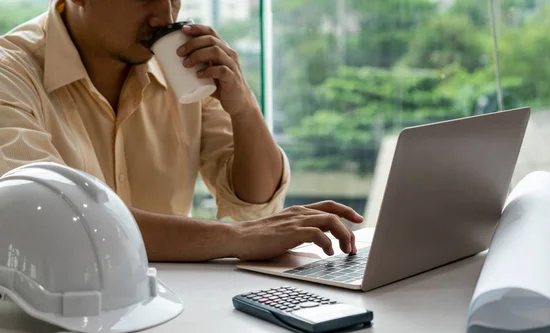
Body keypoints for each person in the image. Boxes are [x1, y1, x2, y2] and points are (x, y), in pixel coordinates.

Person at [0, 0, 362, 262]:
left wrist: (244, 107)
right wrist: (237, 238)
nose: (165, 14)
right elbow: (54, 219)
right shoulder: (10, 73)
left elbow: (254, 205)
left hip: (176, 304)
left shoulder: (181, 66)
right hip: (47, 317)